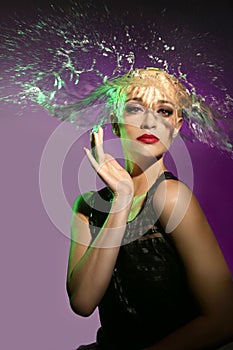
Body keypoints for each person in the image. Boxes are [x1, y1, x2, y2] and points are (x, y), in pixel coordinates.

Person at [66, 68, 233, 349]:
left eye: (164, 111)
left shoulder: (171, 197)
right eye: (135, 108)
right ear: (115, 122)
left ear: (177, 126)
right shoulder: (88, 206)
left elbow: (225, 318)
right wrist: (122, 199)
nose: (150, 122)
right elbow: (83, 301)